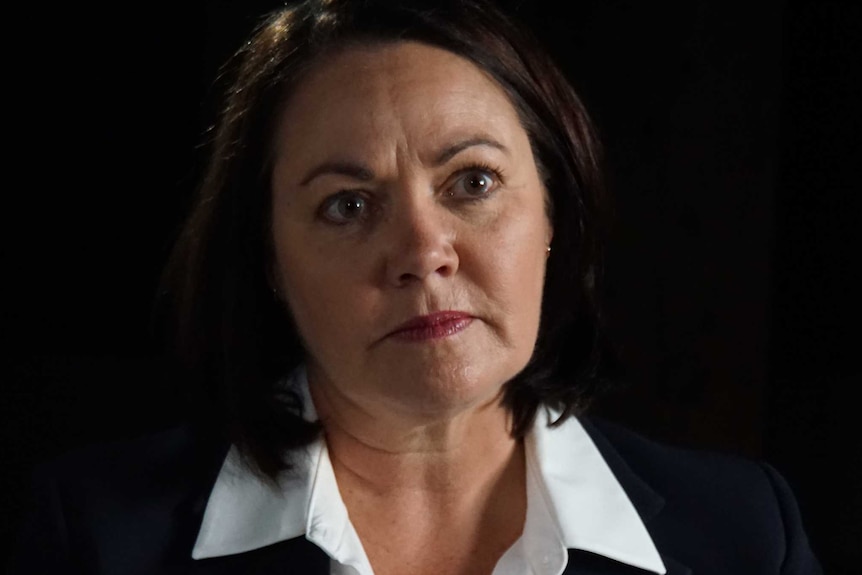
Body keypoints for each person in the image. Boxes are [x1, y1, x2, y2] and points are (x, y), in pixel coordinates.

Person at [9, 0, 822, 574]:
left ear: (553, 214)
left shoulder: (744, 534)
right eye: (348, 204)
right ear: (270, 263)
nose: (423, 252)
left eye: (472, 182)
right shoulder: (92, 535)